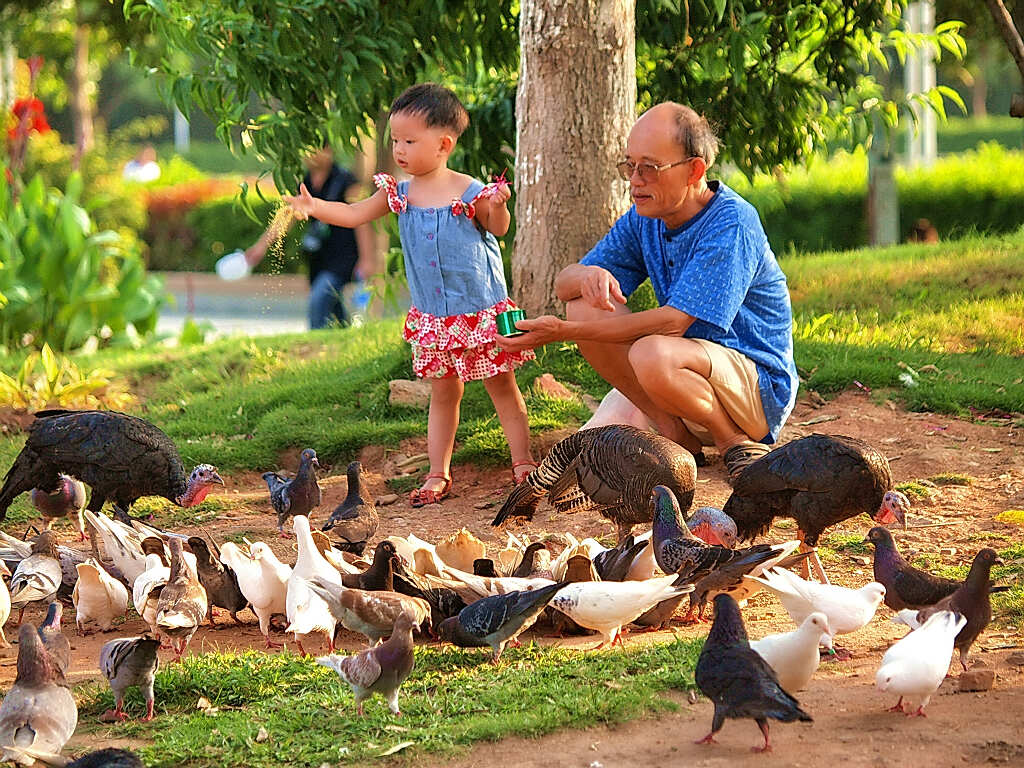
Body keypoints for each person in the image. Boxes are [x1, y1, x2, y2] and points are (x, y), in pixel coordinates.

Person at [496, 102, 799, 482]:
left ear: (695, 170)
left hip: (755, 392)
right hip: (685, 383)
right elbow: (564, 283)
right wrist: (588, 276)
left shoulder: (731, 222)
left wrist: (562, 333)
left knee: (651, 352)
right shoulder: (646, 217)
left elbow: (674, 322)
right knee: (584, 307)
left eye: (650, 168)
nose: (635, 180)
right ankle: (674, 433)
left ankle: (734, 442)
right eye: (629, 166)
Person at [285, 83, 537, 505]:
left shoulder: (470, 190)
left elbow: (498, 227)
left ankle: (524, 463)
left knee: (502, 385)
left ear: (443, 144)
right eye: (396, 141)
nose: (399, 149)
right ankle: (438, 471)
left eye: (409, 141)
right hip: (435, 317)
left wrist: (501, 203)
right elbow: (352, 213)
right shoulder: (398, 192)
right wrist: (315, 208)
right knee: (443, 392)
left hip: (480, 313)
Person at [245, 145, 377, 329]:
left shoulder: (346, 181)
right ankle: (343, 341)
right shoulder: (304, 182)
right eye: (307, 149)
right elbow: (287, 216)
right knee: (333, 306)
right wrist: (261, 246)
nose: (311, 154)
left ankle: (314, 341)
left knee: (320, 297)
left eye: (317, 149)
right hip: (319, 255)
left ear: (330, 151)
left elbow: (362, 221)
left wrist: (367, 259)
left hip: (344, 256)